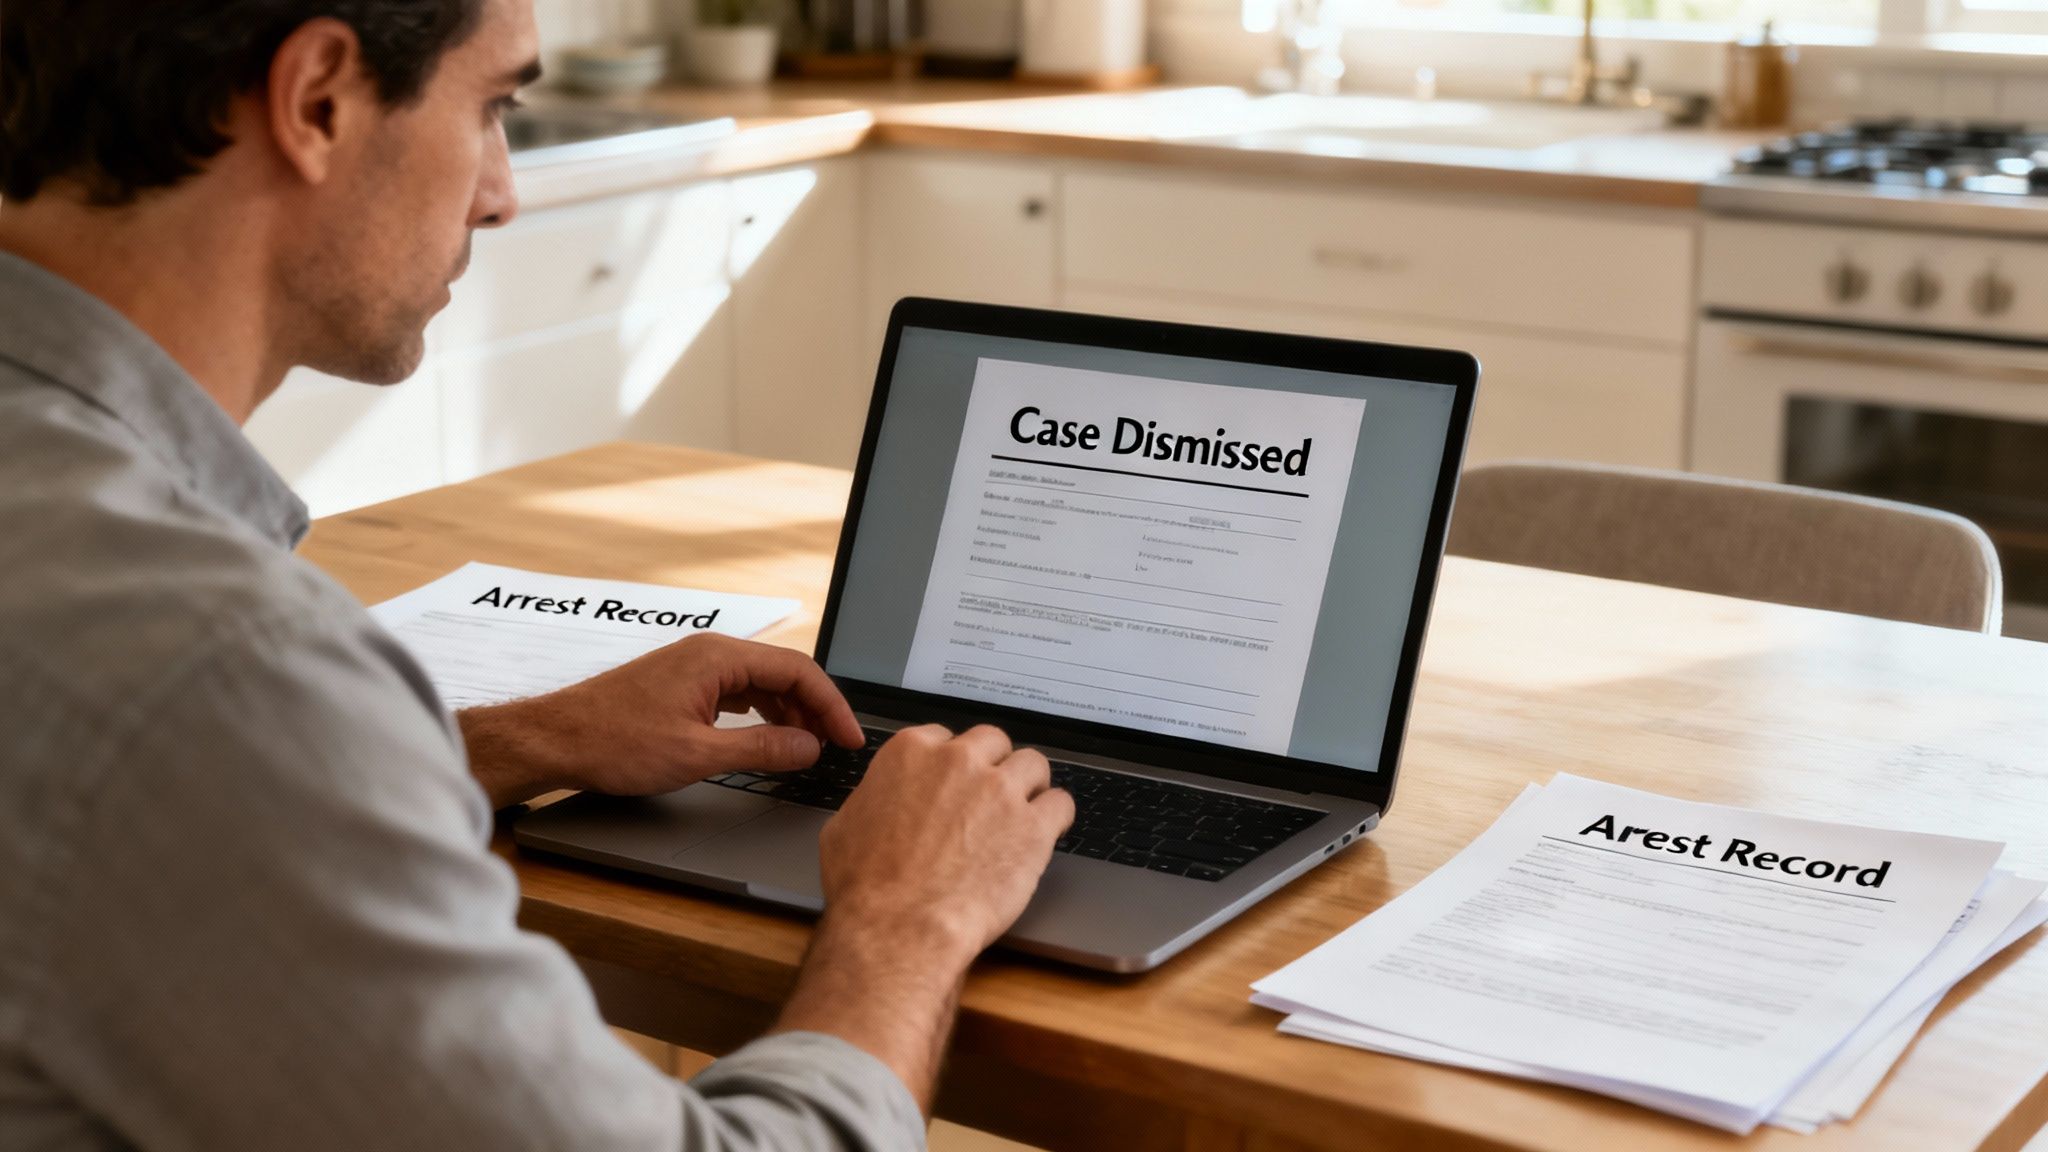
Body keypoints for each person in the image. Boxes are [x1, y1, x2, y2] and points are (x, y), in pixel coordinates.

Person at [0, 1, 1074, 1149]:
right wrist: (908, 916)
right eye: (491, 107)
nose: (504, 192)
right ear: (315, 100)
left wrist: (520, 744)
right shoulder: (222, 674)